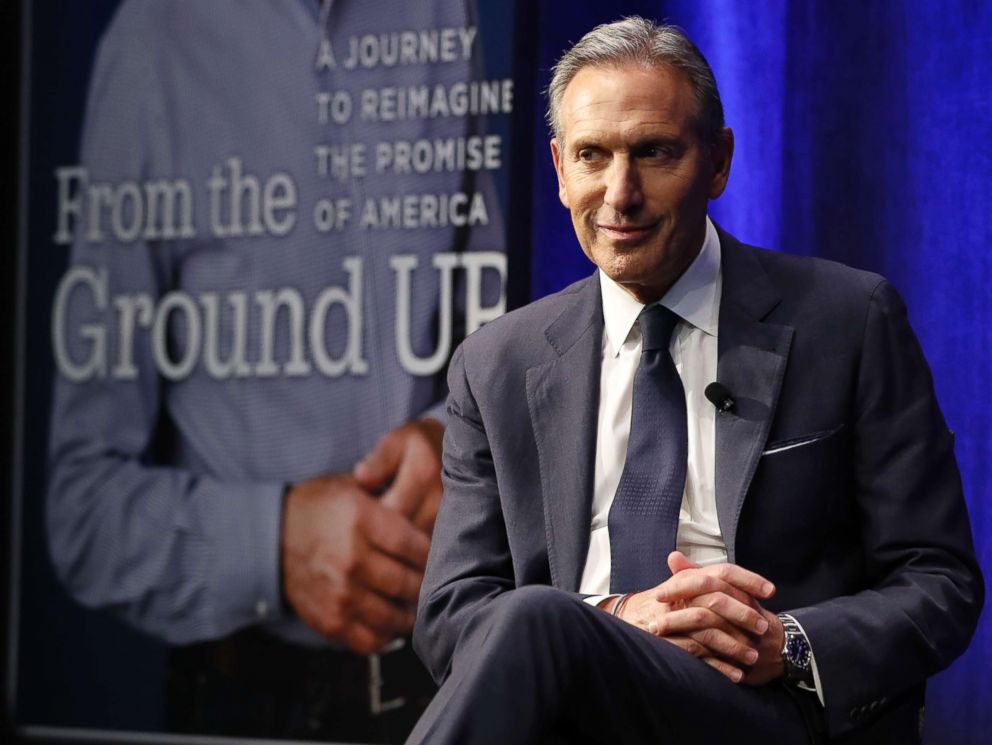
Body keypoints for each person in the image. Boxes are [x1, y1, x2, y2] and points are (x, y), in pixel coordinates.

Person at [408, 17, 983, 745]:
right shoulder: (496, 364)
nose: (621, 194)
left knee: (537, 618)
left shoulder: (849, 322)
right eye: (592, 156)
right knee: (536, 619)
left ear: (718, 162)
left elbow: (939, 579)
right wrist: (616, 616)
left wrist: (788, 642)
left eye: (652, 152)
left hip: (764, 705)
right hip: (573, 706)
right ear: (559, 170)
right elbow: (452, 614)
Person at [45, 0, 504, 741]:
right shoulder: (153, 38)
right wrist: (271, 545)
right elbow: (83, 513)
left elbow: (484, 343)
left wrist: (444, 435)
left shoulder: (440, 9)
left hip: (448, 677)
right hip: (248, 701)